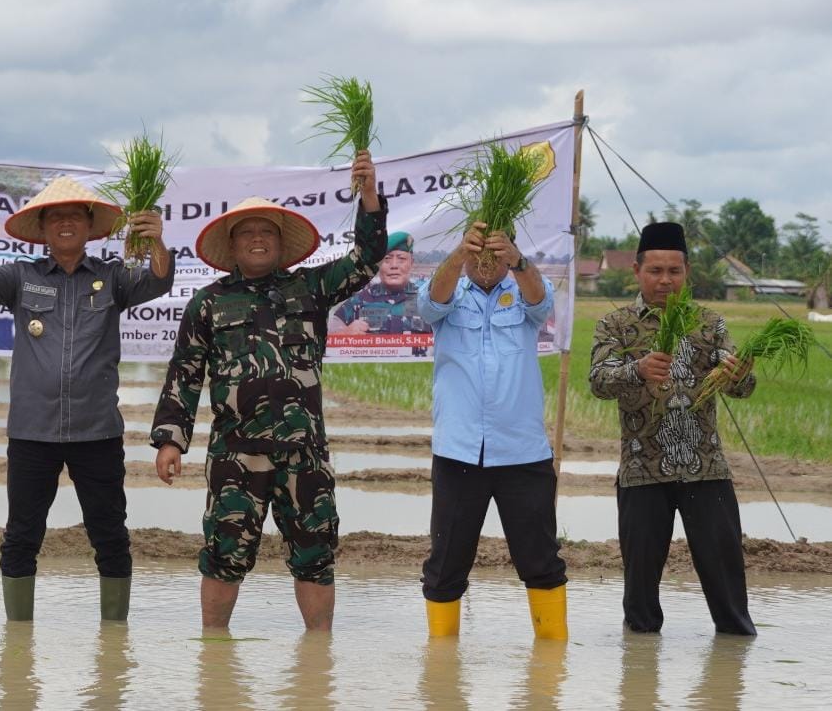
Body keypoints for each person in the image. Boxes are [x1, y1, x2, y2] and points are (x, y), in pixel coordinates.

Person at [151, 150, 386, 632]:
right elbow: (186, 372)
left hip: (305, 453)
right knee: (223, 554)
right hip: (237, 453)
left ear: (280, 244)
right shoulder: (208, 303)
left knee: (316, 554)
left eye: (266, 232)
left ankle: (318, 659)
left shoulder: (311, 288)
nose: (257, 240)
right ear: (233, 245)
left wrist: (368, 198)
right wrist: (172, 440)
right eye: (247, 233)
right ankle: (213, 656)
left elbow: (366, 261)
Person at [0, 175, 173, 621]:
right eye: (56, 217)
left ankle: (114, 639)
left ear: (90, 228)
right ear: (44, 228)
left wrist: (158, 243)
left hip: (97, 432)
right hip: (33, 432)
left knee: (109, 534)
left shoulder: (112, 277)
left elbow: (158, 282)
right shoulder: (22, 276)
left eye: (75, 216)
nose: (66, 223)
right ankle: (17, 642)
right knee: (21, 536)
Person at [589, 222, 757, 635]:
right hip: (642, 471)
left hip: (706, 469)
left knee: (730, 595)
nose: (665, 280)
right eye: (655, 271)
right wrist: (637, 369)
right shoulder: (616, 325)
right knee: (640, 603)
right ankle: (640, 681)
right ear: (637, 271)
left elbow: (744, 388)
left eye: (674, 271)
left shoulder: (709, 324)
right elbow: (598, 381)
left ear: (687, 272)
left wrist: (737, 374)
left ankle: (731, 672)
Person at [415, 221, 568, 640]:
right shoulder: (447, 292)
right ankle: (442, 672)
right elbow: (431, 303)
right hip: (459, 452)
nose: (485, 264)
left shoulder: (526, 292)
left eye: (494, 254)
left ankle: (551, 668)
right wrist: (459, 255)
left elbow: (541, 300)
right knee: (445, 564)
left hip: (522, 452)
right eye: (476, 254)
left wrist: (516, 259)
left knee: (541, 561)